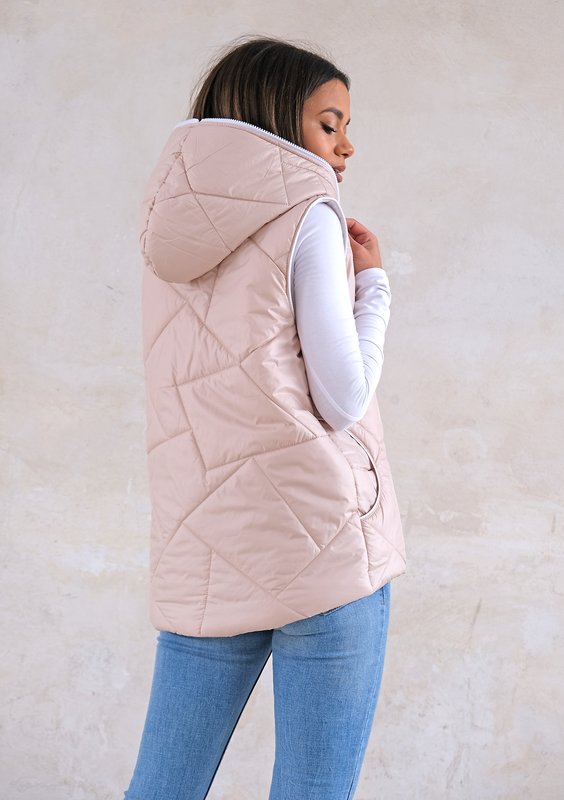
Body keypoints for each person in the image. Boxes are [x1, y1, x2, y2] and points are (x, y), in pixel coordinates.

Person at [125, 34, 407, 800]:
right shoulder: (308, 213)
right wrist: (374, 288)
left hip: (207, 550)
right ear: (279, 119)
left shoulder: (167, 233)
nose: (346, 146)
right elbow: (342, 396)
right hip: (321, 548)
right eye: (329, 124)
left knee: (162, 787)